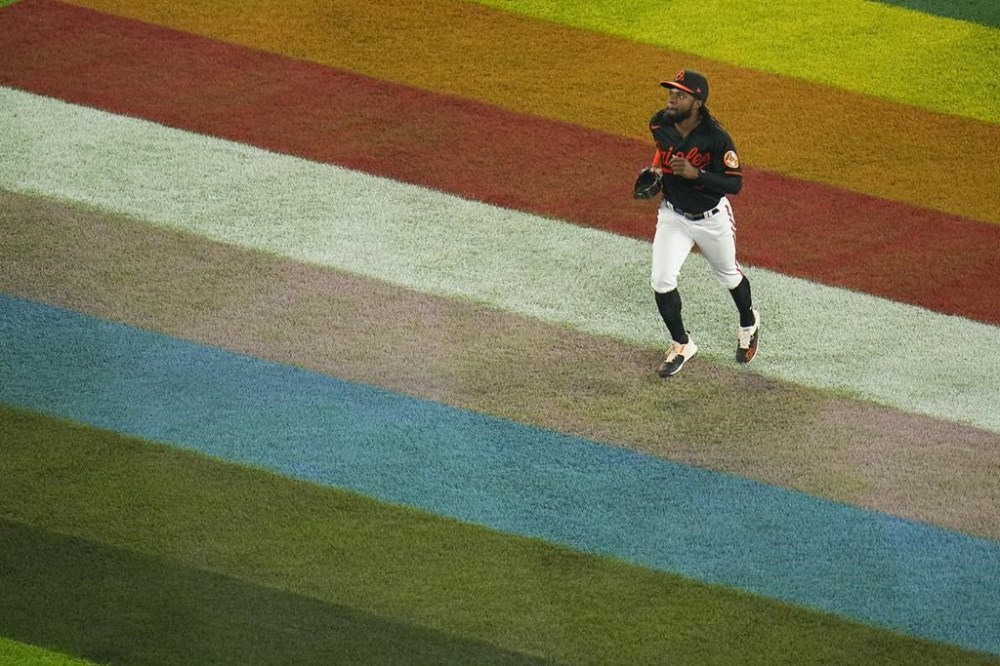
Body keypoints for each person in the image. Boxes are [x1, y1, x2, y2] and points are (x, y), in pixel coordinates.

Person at [644, 69, 759, 378]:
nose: (671, 98)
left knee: (730, 276)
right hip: (673, 216)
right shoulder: (660, 122)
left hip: (712, 219)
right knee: (661, 280)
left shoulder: (717, 138)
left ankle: (749, 321)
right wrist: (656, 171)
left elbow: (735, 185)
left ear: (696, 102)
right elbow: (662, 149)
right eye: (671, 91)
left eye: (679, 94)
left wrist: (698, 175)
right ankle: (682, 344)